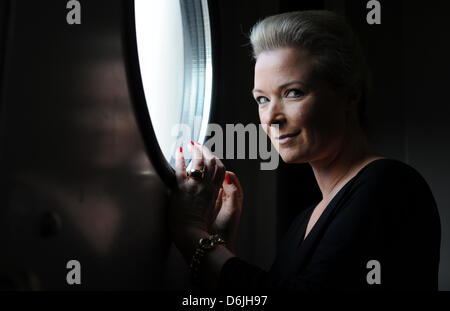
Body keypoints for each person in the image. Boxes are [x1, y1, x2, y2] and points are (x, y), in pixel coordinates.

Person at [168, 10, 441, 291]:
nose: (271, 117)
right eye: (262, 99)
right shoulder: (305, 221)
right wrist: (219, 242)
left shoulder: (389, 185)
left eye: (293, 92)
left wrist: (193, 233)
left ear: (350, 94)